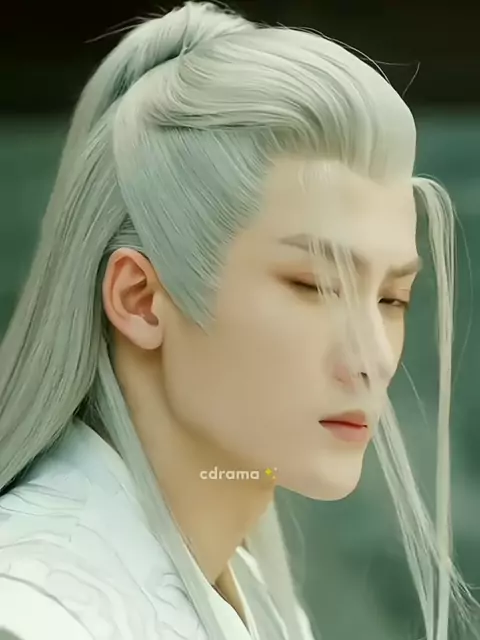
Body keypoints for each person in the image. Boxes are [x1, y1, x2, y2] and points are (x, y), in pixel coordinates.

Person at [0, 2, 477, 639]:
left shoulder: (253, 596)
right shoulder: (32, 614)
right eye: (315, 286)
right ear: (140, 298)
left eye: (392, 299)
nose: (375, 359)